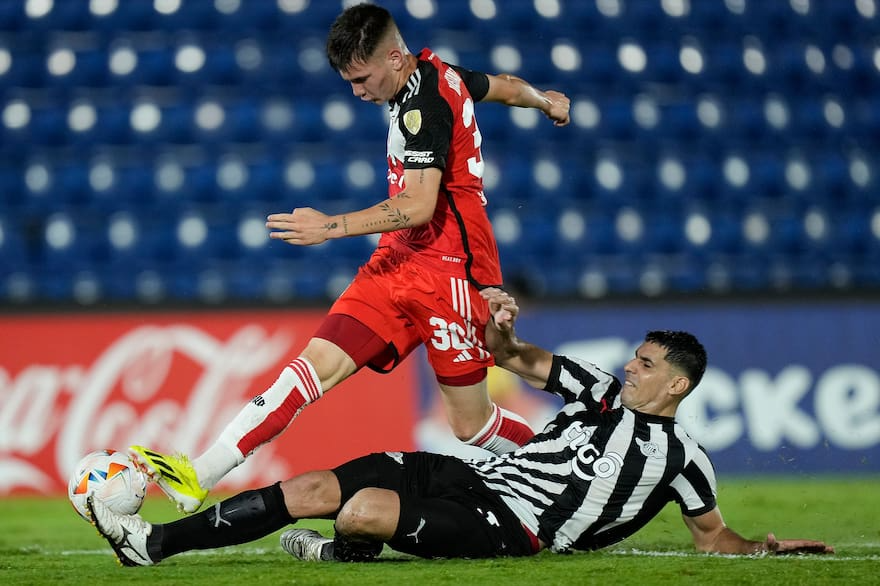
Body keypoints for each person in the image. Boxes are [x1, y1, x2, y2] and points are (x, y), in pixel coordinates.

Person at [126, 3, 572, 514]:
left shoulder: (423, 104)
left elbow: (419, 205)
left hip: (453, 271)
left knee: (471, 427)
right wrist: (546, 101)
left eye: (362, 78)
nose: (357, 92)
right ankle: (198, 473)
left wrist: (329, 227)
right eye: (349, 80)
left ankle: (565, 467)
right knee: (310, 367)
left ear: (396, 58)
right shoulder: (439, 72)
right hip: (398, 260)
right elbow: (505, 86)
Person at [87, 288, 833, 565]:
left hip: (513, 526)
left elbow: (711, 537)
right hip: (475, 476)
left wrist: (766, 550)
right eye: (634, 359)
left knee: (363, 511)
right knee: (315, 483)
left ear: (678, 384)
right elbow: (526, 361)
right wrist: (502, 329)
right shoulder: (600, 391)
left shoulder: (683, 456)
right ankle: (154, 545)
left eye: (644, 365)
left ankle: (347, 552)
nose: (630, 369)